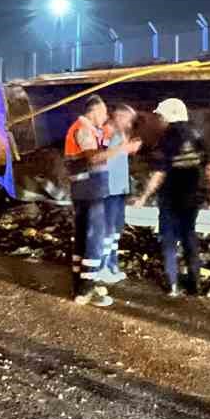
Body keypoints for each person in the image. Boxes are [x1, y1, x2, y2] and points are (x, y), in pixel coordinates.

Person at [132, 98, 210, 298]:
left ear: (169, 116)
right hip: (192, 196)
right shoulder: (197, 135)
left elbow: (159, 173)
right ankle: (195, 285)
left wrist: (144, 196)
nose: (159, 120)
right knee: (189, 237)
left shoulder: (167, 138)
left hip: (170, 198)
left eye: (161, 116)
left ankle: (172, 285)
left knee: (169, 240)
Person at [65, 95, 138, 305]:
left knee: (83, 240)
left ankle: (80, 287)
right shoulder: (83, 128)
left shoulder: (91, 130)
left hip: (87, 190)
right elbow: (94, 157)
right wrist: (123, 149)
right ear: (95, 111)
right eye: (104, 112)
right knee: (94, 239)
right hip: (89, 191)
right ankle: (87, 289)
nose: (106, 116)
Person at [97, 104, 137, 285]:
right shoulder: (107, 132)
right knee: (107, 230)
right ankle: (101, 268)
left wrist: (128, 148)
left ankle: (112, 264)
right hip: (109, 188)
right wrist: (123, 148)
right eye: (128, 119)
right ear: (118, 116)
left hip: (119, 188)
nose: (130, 123)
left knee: (115, 229)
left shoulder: (121, 133)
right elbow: (98, 157)